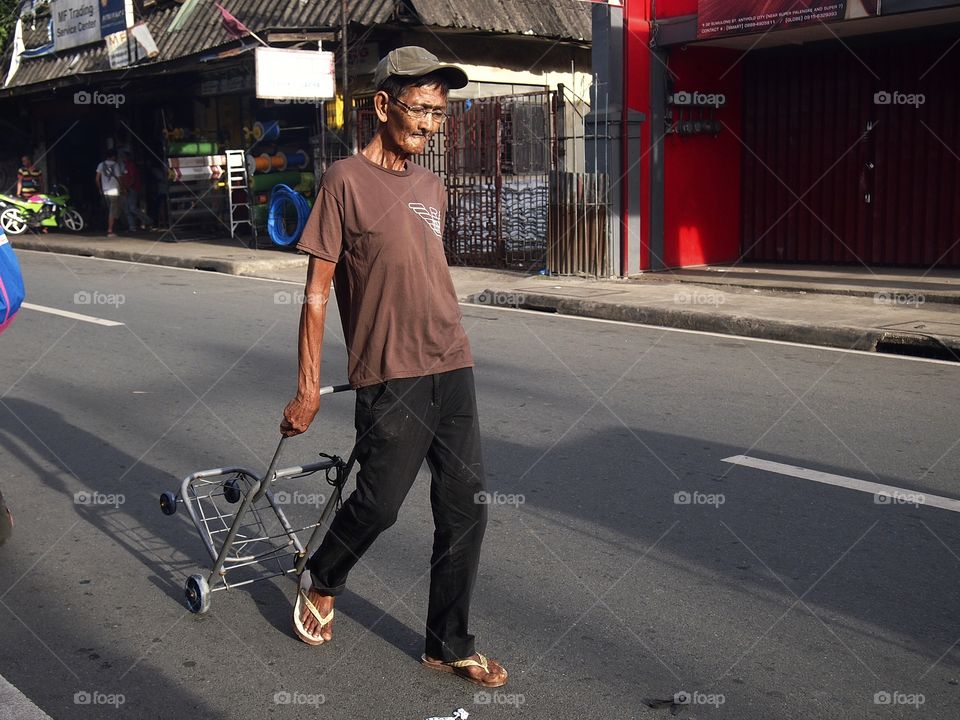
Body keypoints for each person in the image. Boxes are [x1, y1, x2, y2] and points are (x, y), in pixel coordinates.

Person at [280, 46, 508, 689]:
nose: (433, 125)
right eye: (422, 110)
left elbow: (423, 272)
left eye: (441, 113)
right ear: (382, 105)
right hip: (389, 372)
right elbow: (317, 290)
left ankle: (448, 642)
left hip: (451, 363)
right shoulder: (343, 181)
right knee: (379, 506)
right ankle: (322, 578)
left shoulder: (432, 185)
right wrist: (307, 387)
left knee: (467, 508)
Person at [120, 151, 153, 231]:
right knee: (127, 209)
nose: (122, 158)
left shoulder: (131, 165)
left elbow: (133, 178)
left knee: (132, 208)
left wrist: (127, 187)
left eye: (123, 157)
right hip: (126, 188)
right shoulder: (125, 166)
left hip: (132, 188)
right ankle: (132, 227)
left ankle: (148, 221)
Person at [95, 150, 123, 236]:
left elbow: (97, 179)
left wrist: (100, 189)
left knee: (109, 209)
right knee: (113, 210)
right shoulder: (115, 165)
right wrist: (122, 188)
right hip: (114, 190)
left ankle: (111, 227)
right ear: (113, 157)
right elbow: (119, 178)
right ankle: (110, 230)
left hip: (105, 190)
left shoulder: (101, 165)